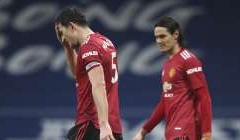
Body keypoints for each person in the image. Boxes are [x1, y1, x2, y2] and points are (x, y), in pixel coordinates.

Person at [133, 16, 212, 140]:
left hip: (186, 132)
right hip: (172, 132)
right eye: (156, 37)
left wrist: (207, 134)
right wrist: (144, 130)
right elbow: (165, 102)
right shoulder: (168, 64)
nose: (158, 41)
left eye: (163, 36)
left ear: (175, 35)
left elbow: (204, 97)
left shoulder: (189, 60)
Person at [54, 6, 123, 140]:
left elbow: (98, 84)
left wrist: (103, 125)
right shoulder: (105, 42)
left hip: (92, 125)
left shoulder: (88, 47)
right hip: (112, 125)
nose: (62, 38)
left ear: (72, 27)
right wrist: (67, 47)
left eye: (62, 32)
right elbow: (77, 73)